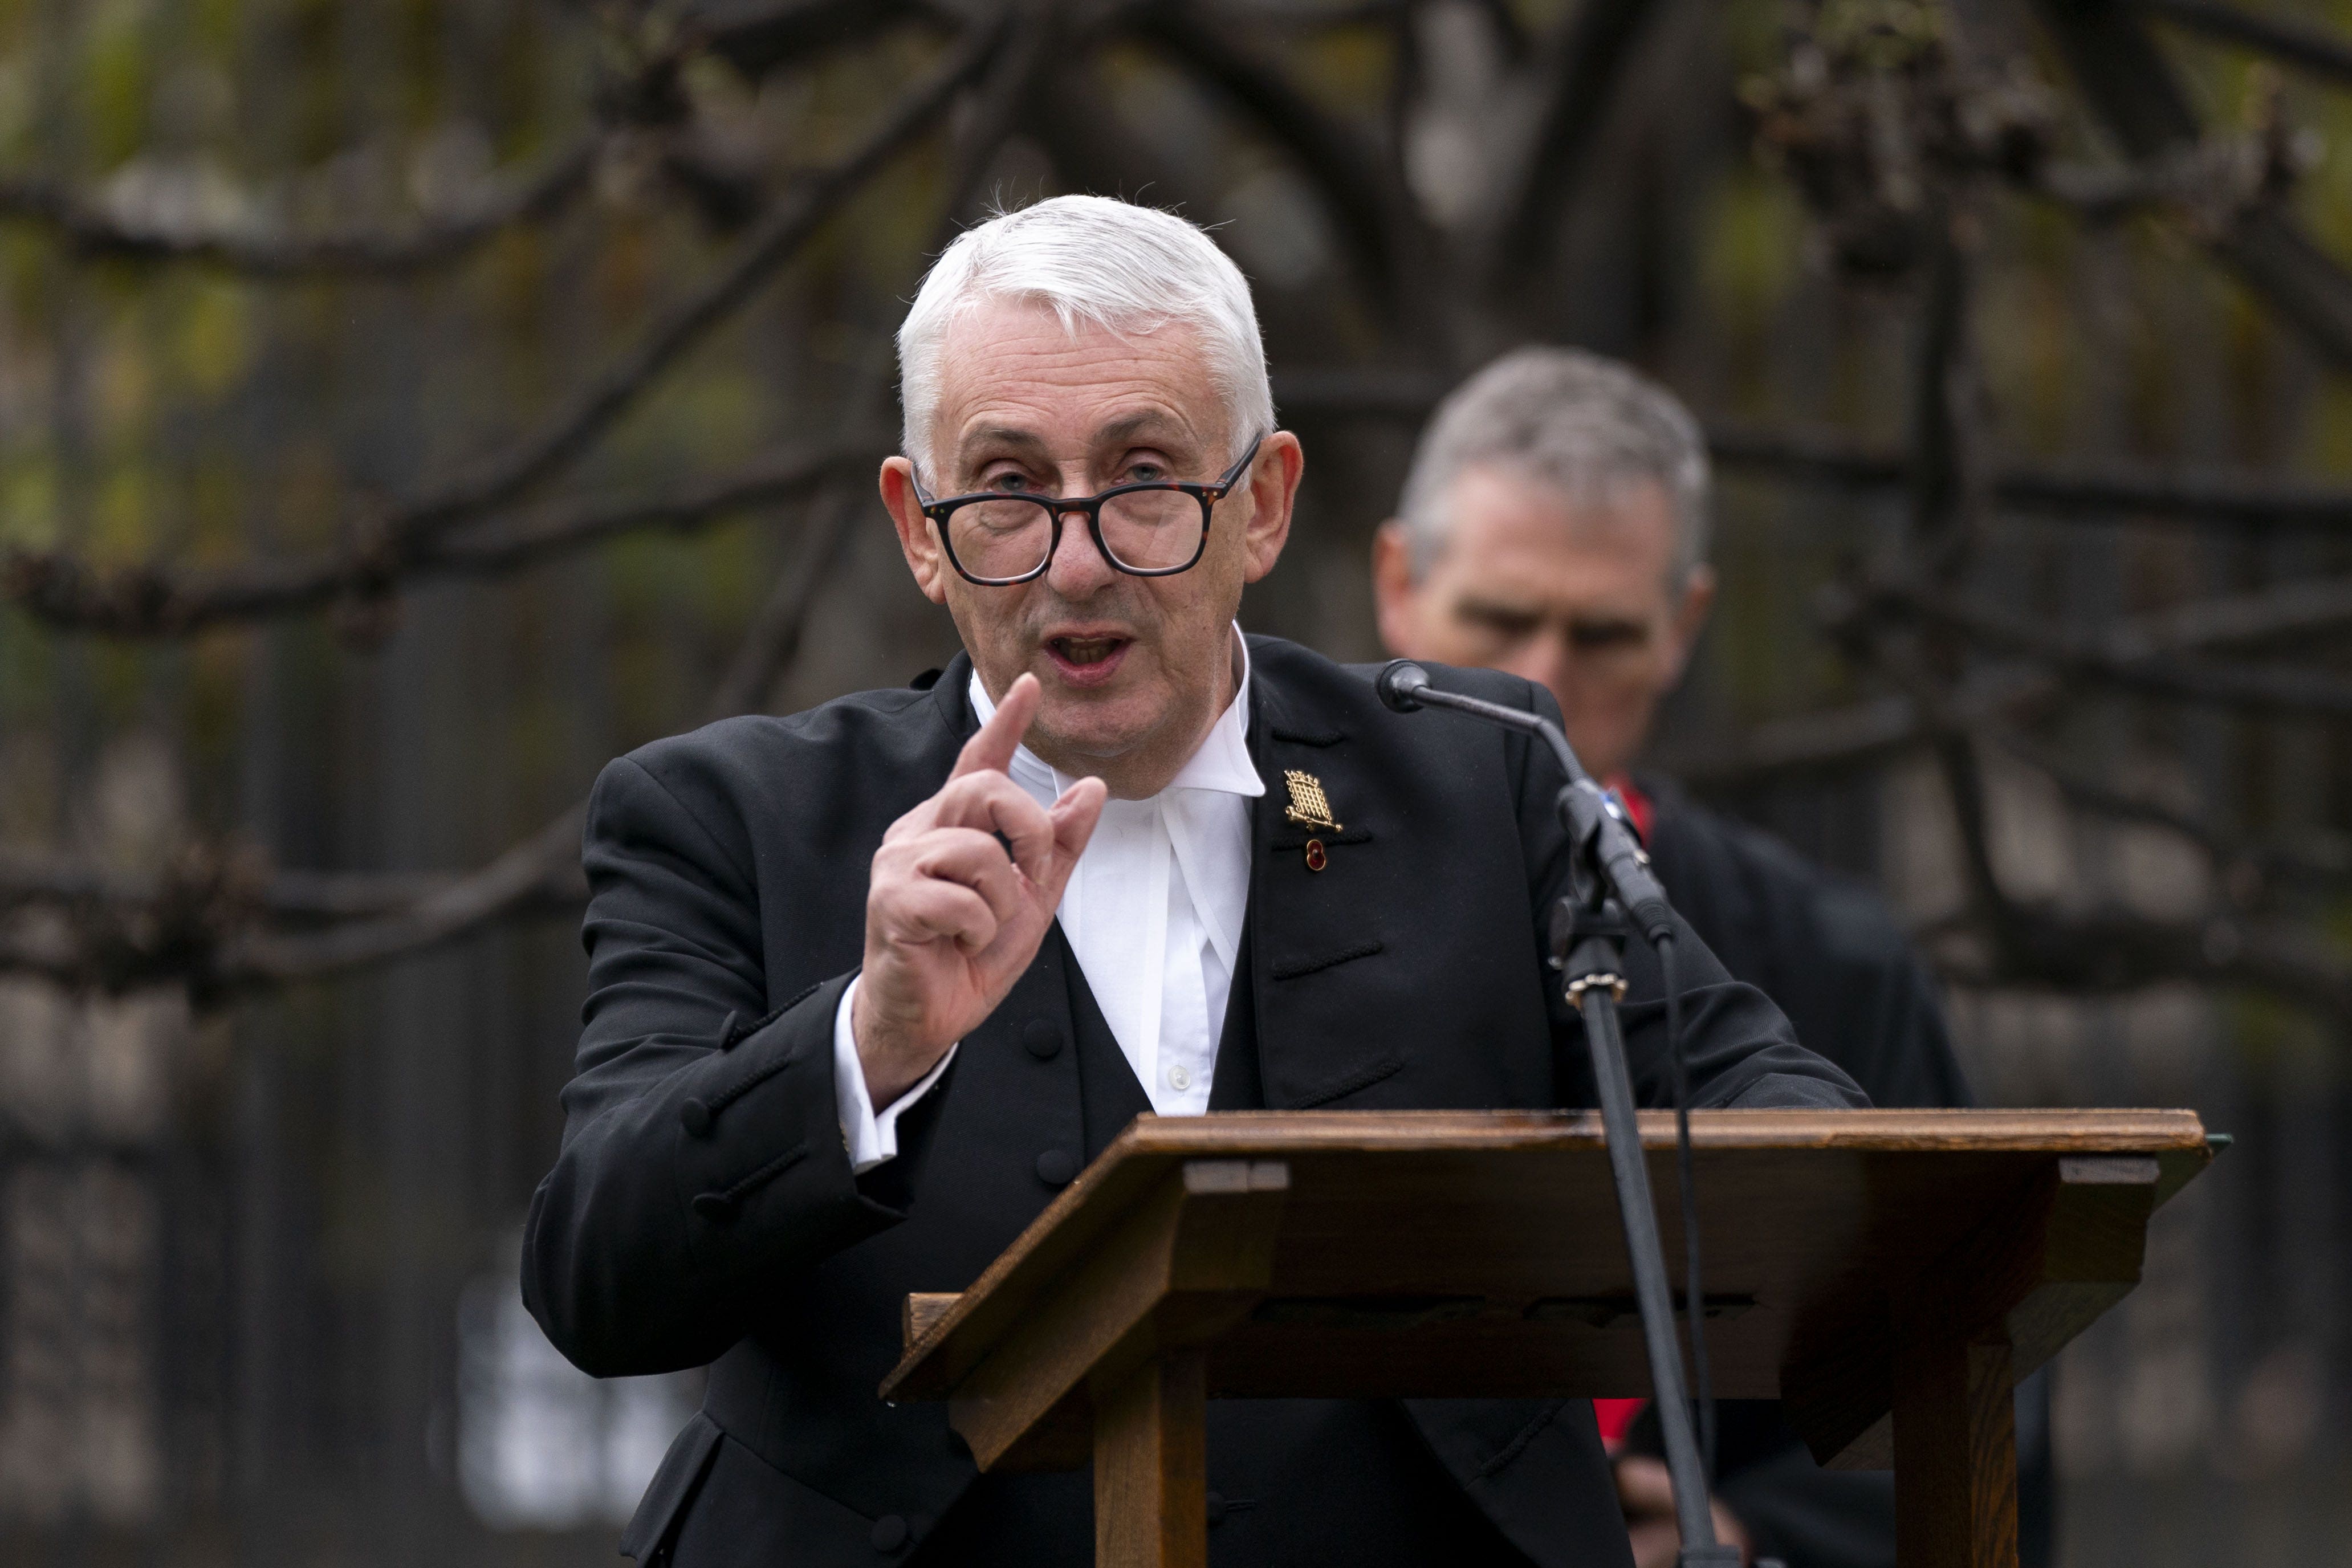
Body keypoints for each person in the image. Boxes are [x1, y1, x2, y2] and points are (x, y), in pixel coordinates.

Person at [523, 198, 1865, 1568]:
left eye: (1145, 476)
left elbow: (1776, 1118)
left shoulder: (1480, 780)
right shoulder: (725, 816)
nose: (1080, 558)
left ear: (1265, 504)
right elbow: (596, 1280)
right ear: (917, 529)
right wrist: (864, 1047)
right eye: (1004, 490)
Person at [1372, 347, 2051, 1568]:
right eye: (1495, 618)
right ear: (1396, 584)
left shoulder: (1830, 963)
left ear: (1683, 623)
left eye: (1602, 631)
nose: (1540, 679)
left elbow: (1966, 1376)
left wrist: (1735, 1534)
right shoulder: (1263, 895)